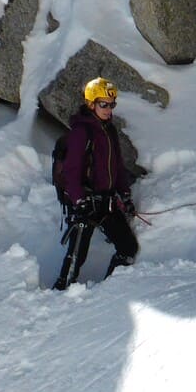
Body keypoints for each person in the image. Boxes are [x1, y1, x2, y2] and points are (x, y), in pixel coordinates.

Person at [53, 78, 140, 290]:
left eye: (112, 104)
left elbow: (117, 166)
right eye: (104, 104)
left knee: (128, 248)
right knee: (76, 256)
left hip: (106, 201)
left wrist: (125, 194)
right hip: (85, 202)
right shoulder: (81, 132)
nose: (109, 109)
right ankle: (60, 293)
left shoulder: (108, 130)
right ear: (91, 104)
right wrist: (79, 200)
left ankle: (108, 292)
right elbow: (72, 171)